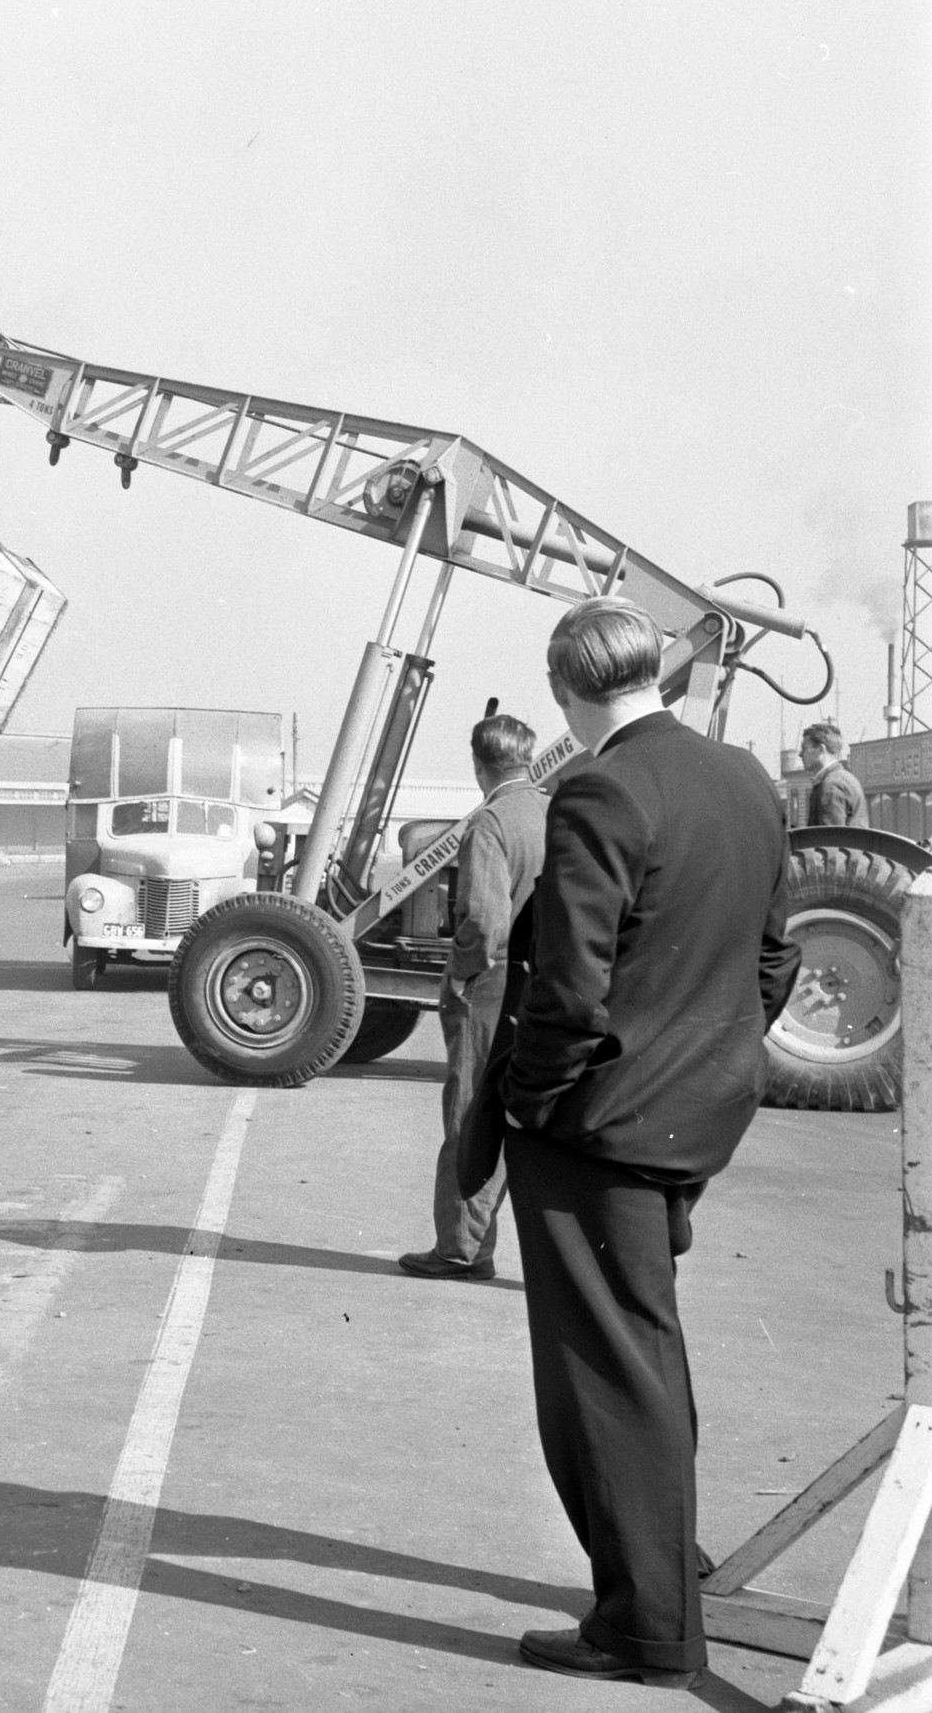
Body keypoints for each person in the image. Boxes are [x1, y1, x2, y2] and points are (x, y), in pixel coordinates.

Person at [458, 596, 799, 1688]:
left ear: (565, 689)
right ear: (660, 673)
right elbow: (773, 959)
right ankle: (669, 1563)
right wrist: (702, 1061)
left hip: (597, 1125)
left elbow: (567, 984)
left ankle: (641, 1626)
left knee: (600, 1376)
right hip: (695, 1114)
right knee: (644, 1348)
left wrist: (537, 1101)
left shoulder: (600, 788)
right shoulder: (746, 778)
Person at [397, 710, 547, 1282]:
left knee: (469, 1113)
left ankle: (461, 1248)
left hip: (490, 984)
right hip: (542, 982)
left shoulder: (490, 822)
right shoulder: (550, 811)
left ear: (480, 764)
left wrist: (459, 975)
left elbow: (482, 919)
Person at [799, 720, 868, 828]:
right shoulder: (846, 778)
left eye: (804, 748)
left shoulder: (831, 786)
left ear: (821, 750)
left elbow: (830, 840)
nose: (800, 754)